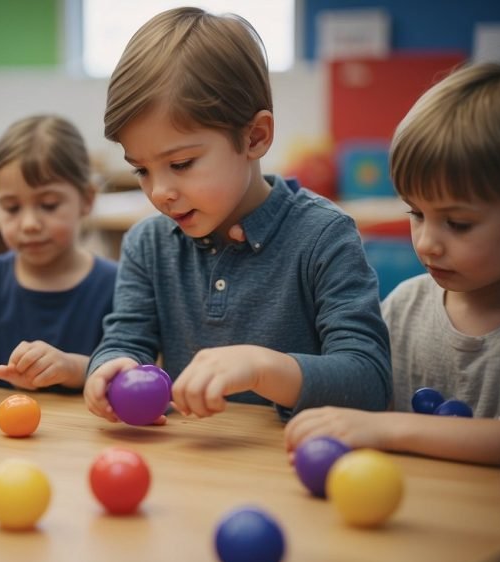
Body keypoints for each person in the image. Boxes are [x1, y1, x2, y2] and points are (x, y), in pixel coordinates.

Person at [84, 7, 391, 423]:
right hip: (192, 467)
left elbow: (370, 382)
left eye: (182, 164)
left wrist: (264, 368)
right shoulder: (148, 244)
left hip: (291, 469)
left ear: (255, 137)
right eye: (141, 169)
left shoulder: (325, 236)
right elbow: (125, 339)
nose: (159, 192)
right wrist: (110, 366)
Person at [285, 62, 500, 466]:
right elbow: (359, 390)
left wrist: (388, 429)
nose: (426, 243)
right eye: (416, 213)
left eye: (457, 223)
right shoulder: (404, 308)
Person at [0, 115, 117, 392]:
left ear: (87, 199)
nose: (29, 224)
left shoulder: (117, 285)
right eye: (12, 208)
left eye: (49, 205)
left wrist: (75, 368)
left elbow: (133, 372)